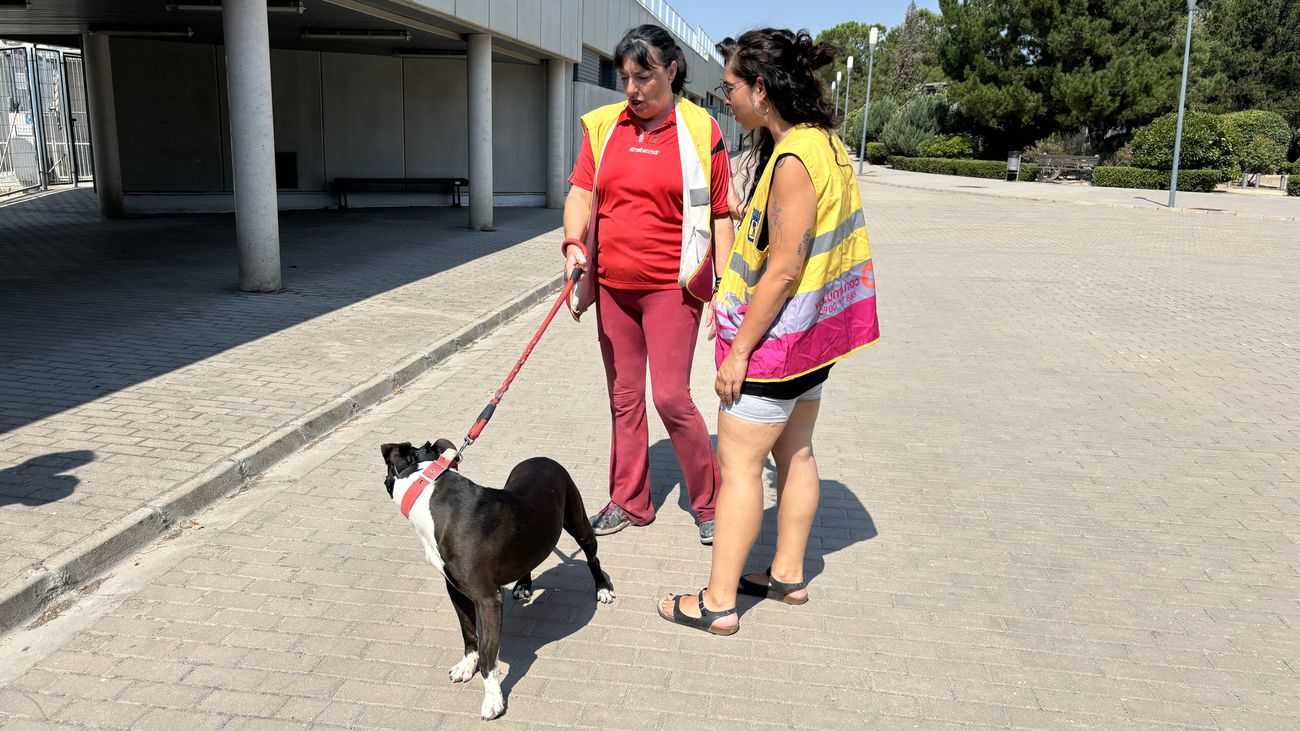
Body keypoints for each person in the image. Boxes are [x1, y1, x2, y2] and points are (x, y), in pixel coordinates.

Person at [657, 28, 880, 633]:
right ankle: (786, 575)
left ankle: (718, 602)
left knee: (740, 470)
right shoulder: (825, 145)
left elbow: (782, 269)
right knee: (797, 450)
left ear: (762, 88)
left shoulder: (792, 161)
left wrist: (739, 352)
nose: (725, 97)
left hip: (777, 346)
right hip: (814, 342)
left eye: (730, 87)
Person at [562, 24, 735, 545]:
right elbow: (581, 193)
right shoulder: (603, 128)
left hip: (672, 287)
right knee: (623, 397)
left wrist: (723, 291)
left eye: (644, 76)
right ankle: (629, 500)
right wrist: (574, 243)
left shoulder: (701, 129)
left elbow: (722, 214)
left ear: (672, 71)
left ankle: (709, 501)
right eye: (625, 78)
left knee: (671, 397)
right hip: (613, 286)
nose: (632, 89)